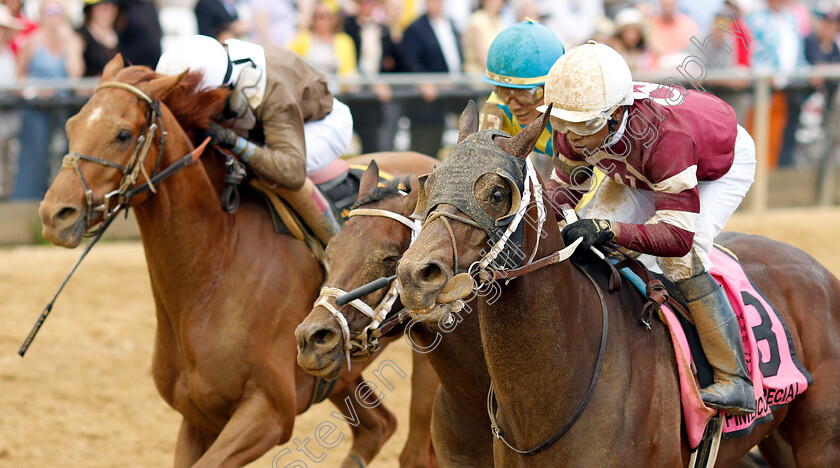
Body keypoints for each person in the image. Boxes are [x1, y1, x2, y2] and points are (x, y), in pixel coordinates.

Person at [540, 41, 757, 415]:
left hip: (712, 167)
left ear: (615, 113)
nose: (572, 137)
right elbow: (565, 191)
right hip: (641, 166)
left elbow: (676, 237)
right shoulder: (578, 116)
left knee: (680, 262)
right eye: (563, 125)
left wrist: (611, 228)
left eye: (583, 126)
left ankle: (734, 378)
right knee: (586, 242)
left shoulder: (666, 138)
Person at [156, 35, 353, 244]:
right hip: (271, 121)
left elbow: (291, 171)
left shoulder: (272, 93)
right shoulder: (213, 63)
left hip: (320, 124)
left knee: (275, 176)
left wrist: (233, 141)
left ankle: (338, 249)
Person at [12, 0, 83, 200]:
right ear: (42, 13)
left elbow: (75, 76)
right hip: (35, 111)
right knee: (33, 160)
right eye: (50, 10)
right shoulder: (32, 40)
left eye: (58, 10)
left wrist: (68, 45)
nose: (54, 15)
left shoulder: (73, 41)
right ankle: (25, 209)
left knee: (64, 160)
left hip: (63, 111)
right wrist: (36, 90)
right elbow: (19, 77)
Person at [78, 0, 119, 77]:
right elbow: (76, 73)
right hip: (92, 87)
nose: (108, 12)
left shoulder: (122, 34)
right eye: (102, 8)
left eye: (112, 8)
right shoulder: (81, 36)